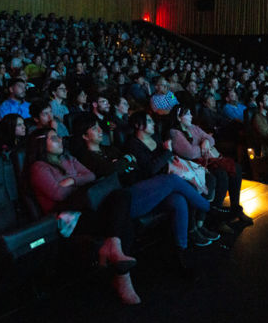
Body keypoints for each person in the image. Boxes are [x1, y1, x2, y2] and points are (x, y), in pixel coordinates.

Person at [25, 128, 140, 304]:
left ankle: (114, 249)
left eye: (60, 137)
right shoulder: (39, 167)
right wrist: (78, 179)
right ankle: (122, 277)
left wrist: (72, 180)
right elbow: (58, 194)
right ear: (41, 144)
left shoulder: (67, 158)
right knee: (121, 221)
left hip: (86, 206)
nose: (60, 140)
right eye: (54, 138)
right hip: (68, 217)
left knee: (122, 196)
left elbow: (91, 175)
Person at [75, 116, 212, 260]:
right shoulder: (86, 157)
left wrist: (122, 163)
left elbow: (131, 164)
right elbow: (112, 170)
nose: (100, 130)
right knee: (172, 180)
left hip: (143, 187)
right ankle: (207, 206)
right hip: (123, 200)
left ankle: (181, 252)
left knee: (178, 200)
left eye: (99, 126)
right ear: (85, 136)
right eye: (94, 128)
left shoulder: (110, 149)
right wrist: (123, 163)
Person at [167, 106, 253, 224]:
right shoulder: (175, 133)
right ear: (178, 117)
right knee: (221, 174)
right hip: (194, 164)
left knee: (236, 168)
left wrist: (206, 141)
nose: (191, 116)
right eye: (187, 114)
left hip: (207, 159)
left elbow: (211, 139)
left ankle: (235, 208)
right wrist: (203, 147)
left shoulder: (193, 127)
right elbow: (190, 153)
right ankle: (215, 217)